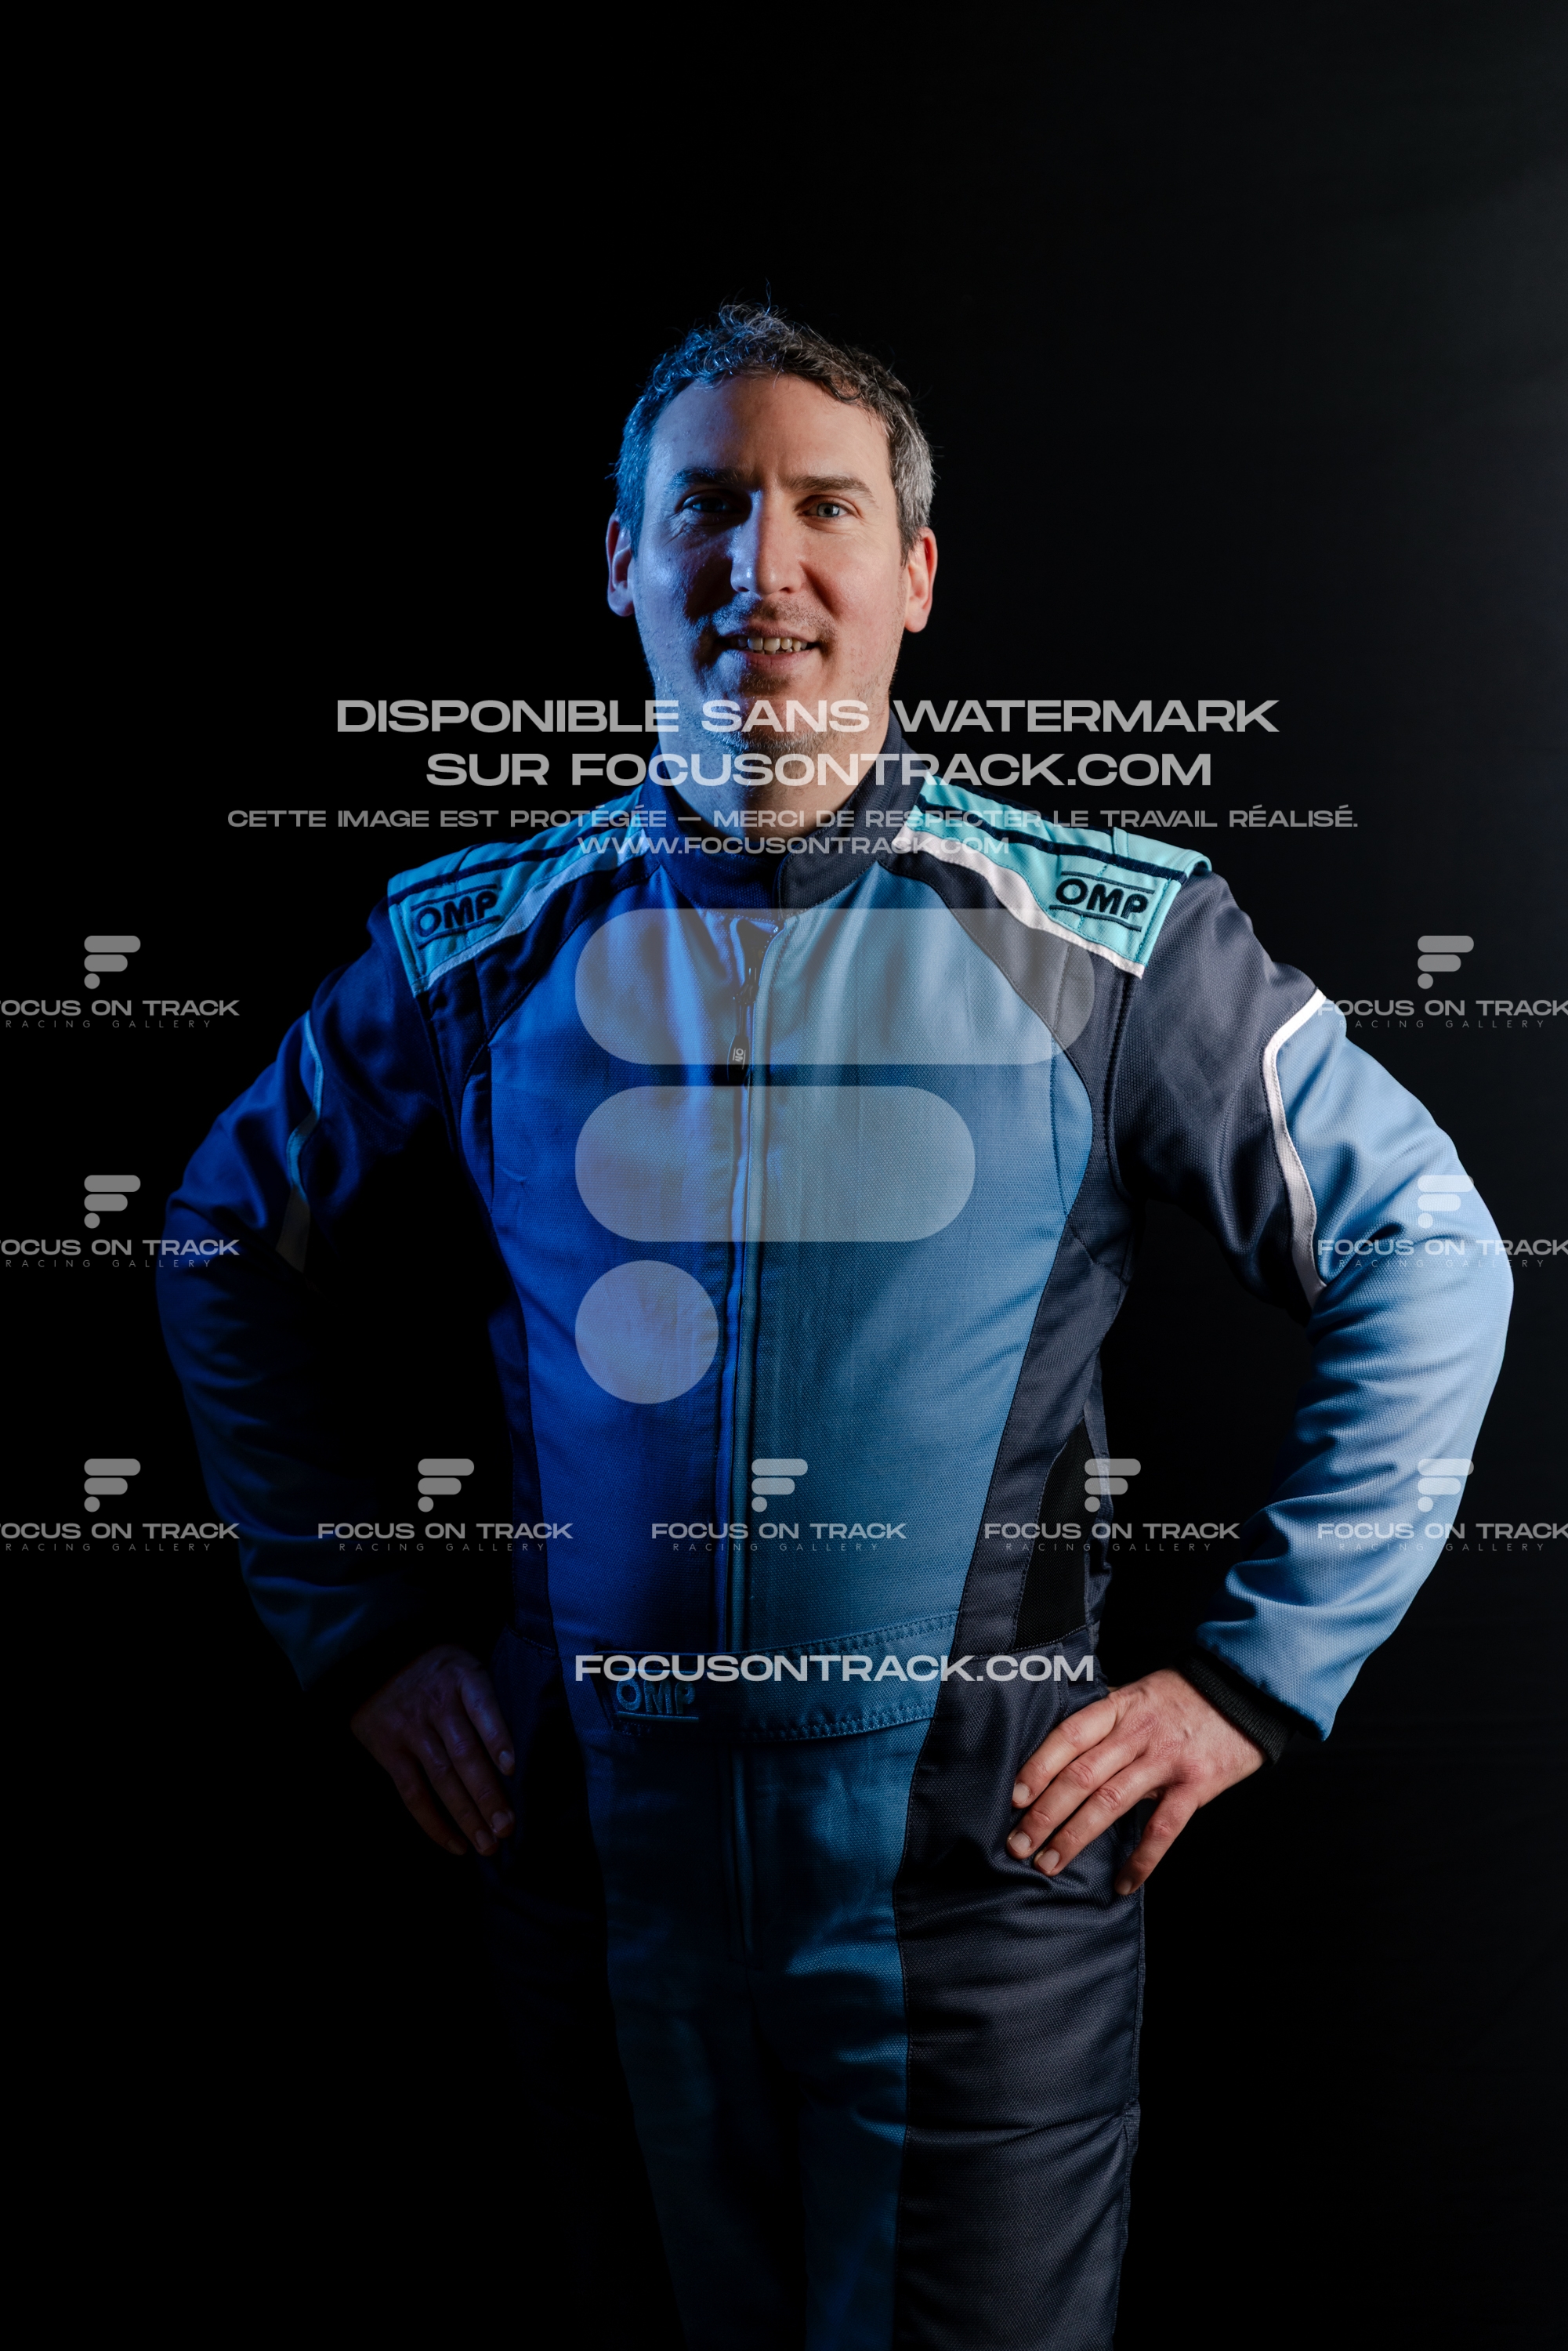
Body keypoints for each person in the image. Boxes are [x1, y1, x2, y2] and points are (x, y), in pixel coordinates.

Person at [159, 306, 1511, 2350]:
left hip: (976, 1898)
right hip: (590, 1881)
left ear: (914, 573)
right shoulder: (476, 945)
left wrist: (1251, 1682)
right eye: (707, 507)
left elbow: (1427, 1244)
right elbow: (221, 1240)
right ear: (623, 561)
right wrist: (355, 1634)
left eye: (824, 508)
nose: (761, 566)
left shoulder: (1102, 937)